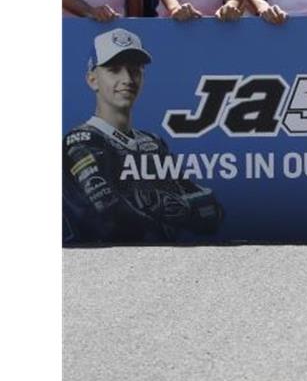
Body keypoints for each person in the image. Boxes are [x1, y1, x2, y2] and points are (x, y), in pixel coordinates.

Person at [63, 28, 223, 244]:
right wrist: (177, 209)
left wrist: (152, 204)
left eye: (134, 70)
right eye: (114, 70)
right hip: (100, 267)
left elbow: (212, 212)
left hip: (162, 266)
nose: (127, 79)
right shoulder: (81, 141)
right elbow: (110, 213)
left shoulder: (153, 143)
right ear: (92, 79)